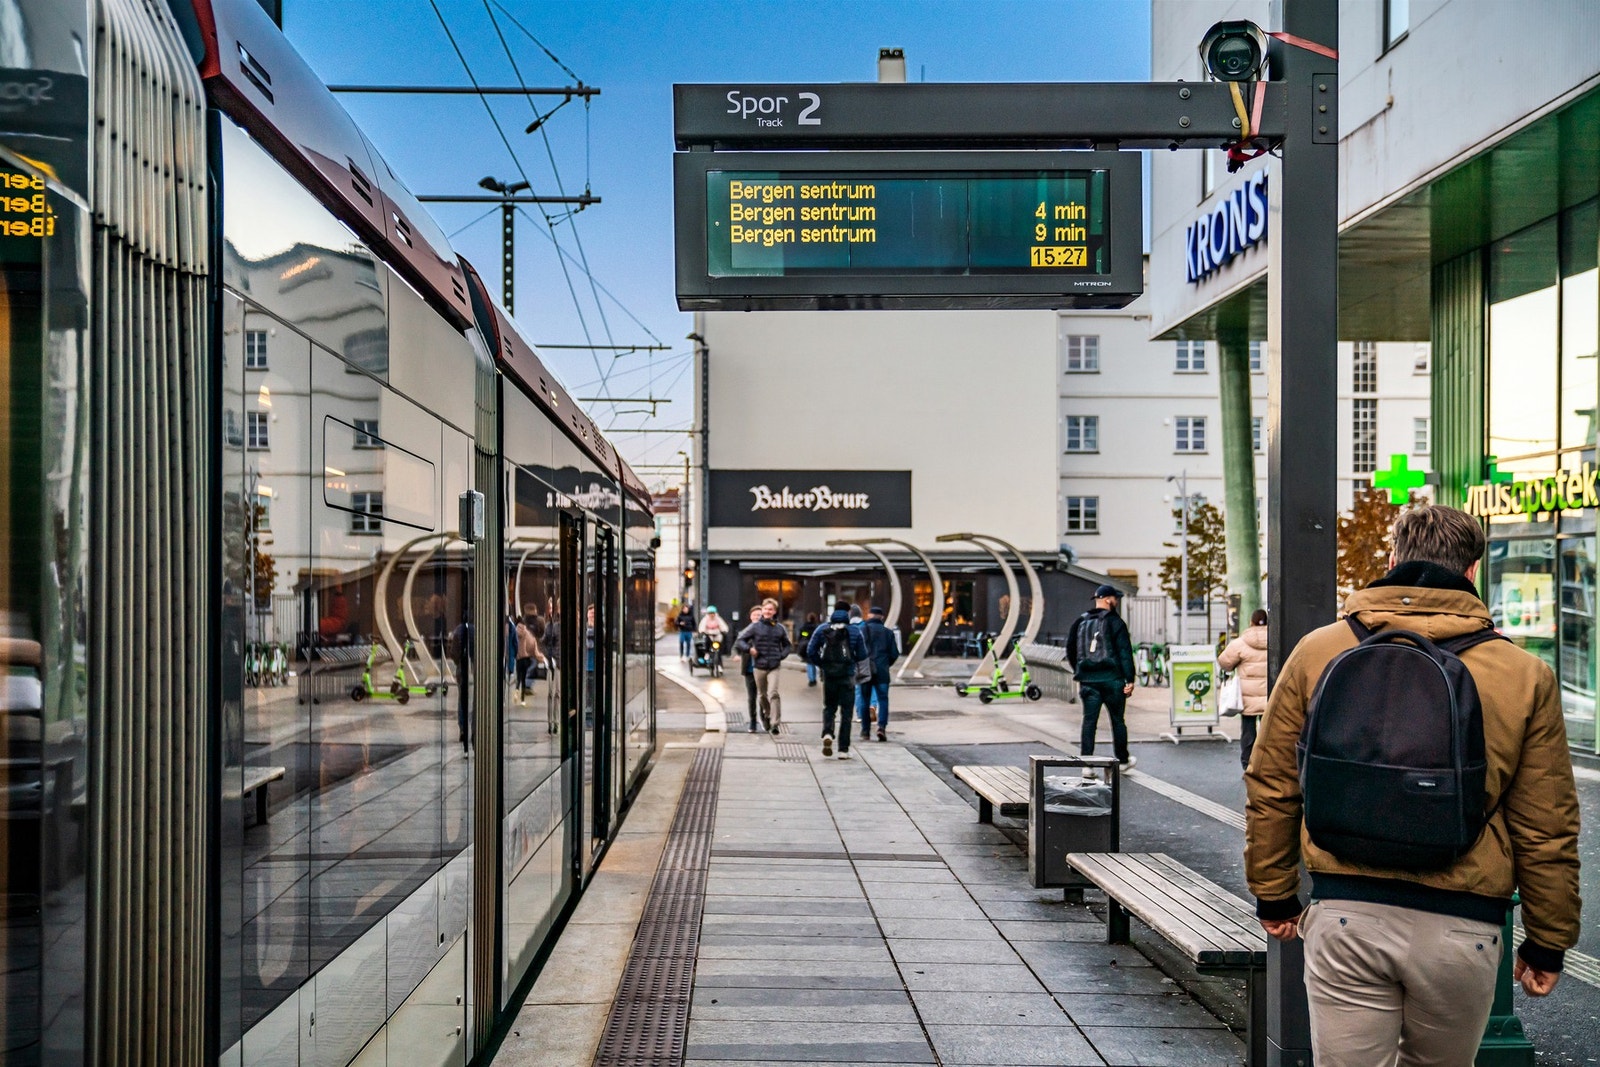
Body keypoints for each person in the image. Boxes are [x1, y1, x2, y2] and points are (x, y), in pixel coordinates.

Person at [1246, 506, 1581, 1067]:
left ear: (1394, 560)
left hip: (1346, 914)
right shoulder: (1524, 674)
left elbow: (1273, 781)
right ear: (1473, 572)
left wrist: (1274, 890)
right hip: (1463, 926)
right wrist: (1549, 939)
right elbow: (1546, 823)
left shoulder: (1319, 650)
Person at [1066, 584, 1137, 773]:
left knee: (1089, 721)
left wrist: (1081, 671)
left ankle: (1086, 766)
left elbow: (1070, 649)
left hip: (1088, 681)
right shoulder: (1115, 622)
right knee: (1117, 720)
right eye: (1115, 598)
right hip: (1112, 680)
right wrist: (1129, 678)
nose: (1117, 602)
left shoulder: (1080, 621)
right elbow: (1124, 652)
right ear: (1108, 599)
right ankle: (1122, 761)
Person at [807, 602, 869, 759]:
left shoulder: (822, 629)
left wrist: (822, 665)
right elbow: (862, 655)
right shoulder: (854, 631)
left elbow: (810, 650)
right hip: (847, 676)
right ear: (848, 614)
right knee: (846, 713)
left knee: (829, 708)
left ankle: (827, 733)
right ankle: (843, 749)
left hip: (829, 676)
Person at [1217, 608, 1268, 771]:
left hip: (1247, 698)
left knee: (1248, 733)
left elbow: (1224, 662)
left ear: (1251, 622)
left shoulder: (1240, 643)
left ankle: (1247, 766)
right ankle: (1266, 766)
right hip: (1269, 696)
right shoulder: (1276, 639)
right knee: (1268, 732)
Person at [736, 598, 792, 734]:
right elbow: (740, 640)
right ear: (762, 610)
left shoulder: (780, 628)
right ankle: (767, 712)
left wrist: (781, 655)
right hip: (759, 666)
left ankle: (775, 723)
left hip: (774, 665)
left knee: (773, 693)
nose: (768, 611)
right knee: (762, 695)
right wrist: (749, 649)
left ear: (774, 612)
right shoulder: (755, 627)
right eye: (766, 609)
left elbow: (787, 645)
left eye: (770, 609)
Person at [856, 605, 900, 742]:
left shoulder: (861, 630)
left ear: (868, 616)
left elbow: (856, 651)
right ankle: (881, 727)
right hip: (882, 671)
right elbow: (894, 653)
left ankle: (865, 730)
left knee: (864, 699)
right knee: (883, 699)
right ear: (881, 617)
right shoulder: (887, 633)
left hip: (865, 671)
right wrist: (886, 664)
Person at [740, 603, 762, 731]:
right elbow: (738, 644)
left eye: (759, 615)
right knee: (752, 697)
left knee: (764, 696)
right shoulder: (745, 632)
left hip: (763, 668)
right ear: (750, 617)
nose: (757, 617)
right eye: (754, 615)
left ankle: (765, 718)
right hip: (749, 669)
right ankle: (753, 721)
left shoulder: (767, 630)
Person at [514, 614, 541, 706]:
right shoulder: (526, 632)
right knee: (523, 679)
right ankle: (522, 700)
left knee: (518, 678)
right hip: (525, 657)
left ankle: (516, 690)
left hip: (518, 658)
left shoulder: (515, 630)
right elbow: (530, 643)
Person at [797, 612, 821, 687]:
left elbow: (802, 636)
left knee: (809, 663)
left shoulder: (804, 627)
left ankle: (811, 680)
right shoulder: (817, 627)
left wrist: (805, 636)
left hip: (806, 646)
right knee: (815, 663)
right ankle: (816, 677)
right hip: (816, 646)